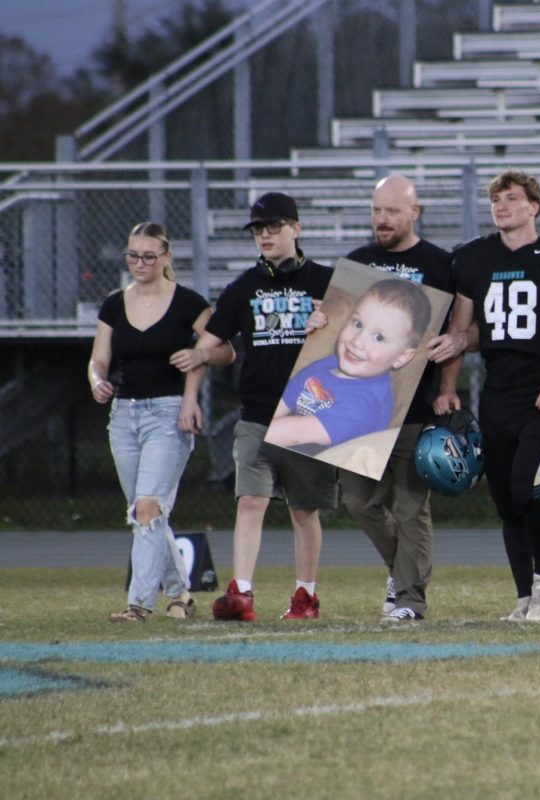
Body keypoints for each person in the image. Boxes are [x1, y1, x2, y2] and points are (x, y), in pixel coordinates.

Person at [429, 169, 540, 622]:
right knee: (505, 498)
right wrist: (448, 386)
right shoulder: (473, 258)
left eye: (511, 198)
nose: (501, 206)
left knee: (529, 486)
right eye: (496, 200)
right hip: (496, 390)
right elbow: (460, 332)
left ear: (534, 206)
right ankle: (524, 595)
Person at [179, 192, 338, 621]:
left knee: (305, 511)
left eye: (273, 227)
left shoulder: (328, 281)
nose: (264, 236)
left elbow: (363, 343)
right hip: (256, 412)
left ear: (296, 229)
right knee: (250, 500)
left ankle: (306, 597)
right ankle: (241, 594)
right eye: (258, 230)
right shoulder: (243, 288)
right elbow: (205, 346)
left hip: (309, 415)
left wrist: (331, 326)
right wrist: (191, 396)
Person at [89, 222, 228, 622]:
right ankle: (181, 594)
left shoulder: (188, 302)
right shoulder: (115, 303)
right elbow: (98, 359)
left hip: (168, 413)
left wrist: (199, 358)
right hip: (124, 415)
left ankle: (139, 605)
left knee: (148, 507)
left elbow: (225, 351)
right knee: (144, 513)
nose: (140, 263)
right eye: (133, 255)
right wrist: (97, 380)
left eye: (149, 256)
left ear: (166, 257)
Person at [338, 175, 455, 623]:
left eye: (391, 211)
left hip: (415, 403)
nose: (382, 220)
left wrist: (447, 386)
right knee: (357, 501)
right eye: (376, 211)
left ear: (414, 212)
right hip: (359, 407)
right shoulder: (356, 264)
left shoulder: (441, 264)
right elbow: (337, 331)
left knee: (410, 506)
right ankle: (401, 570)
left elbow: (457, 336)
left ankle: (409, 599)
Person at [266, 278, 430, 448]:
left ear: (401, 358)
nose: (357, 341)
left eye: (379, 337)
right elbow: (283, 402)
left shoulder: (366, 405)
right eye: (358, 324)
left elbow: (296, 434)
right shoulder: (326, 365)